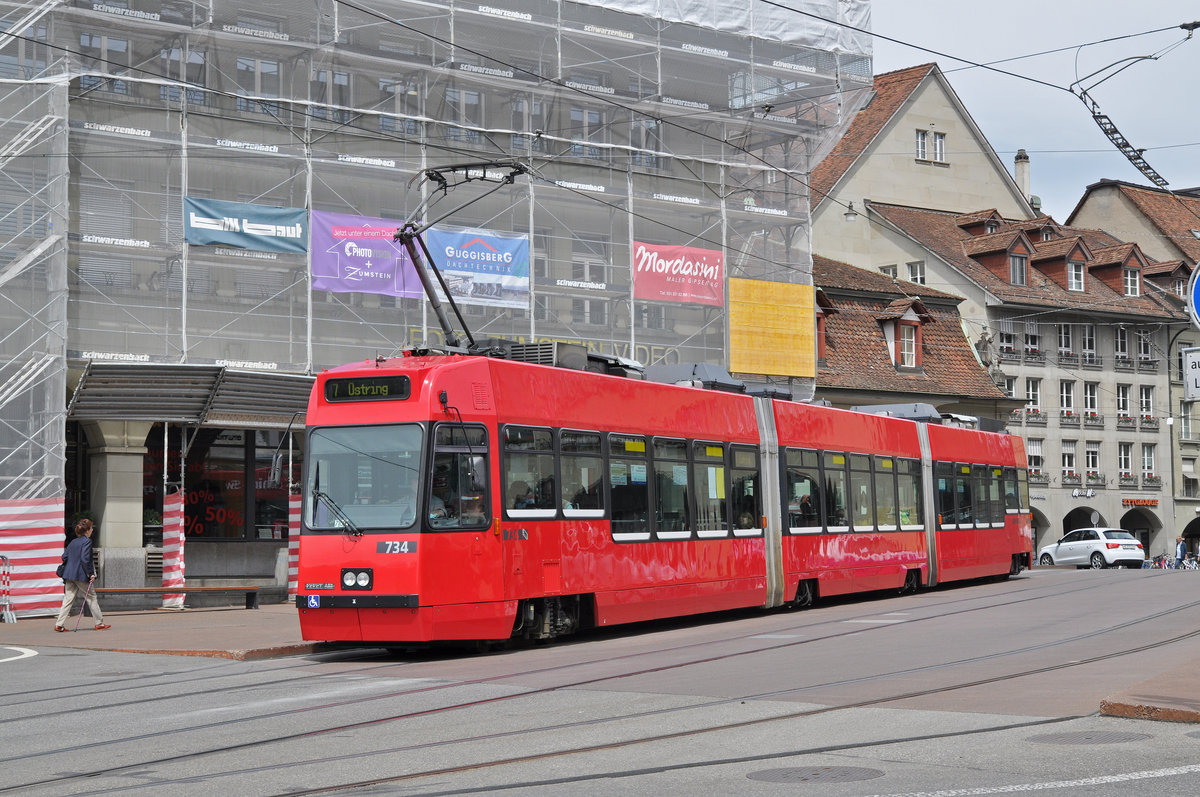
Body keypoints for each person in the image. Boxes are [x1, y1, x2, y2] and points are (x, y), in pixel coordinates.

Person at [55, 517, 109, 632]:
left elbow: (64, 557)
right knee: (91, 597)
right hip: (81, 575)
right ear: (88, 530)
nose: (92, 530)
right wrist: (90, 573)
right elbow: (85, 559)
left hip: (69, 574)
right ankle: (99, 623)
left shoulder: (73, 542)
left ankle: (59, 624)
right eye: (91, 528)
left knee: (68, 599)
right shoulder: (87, 542)